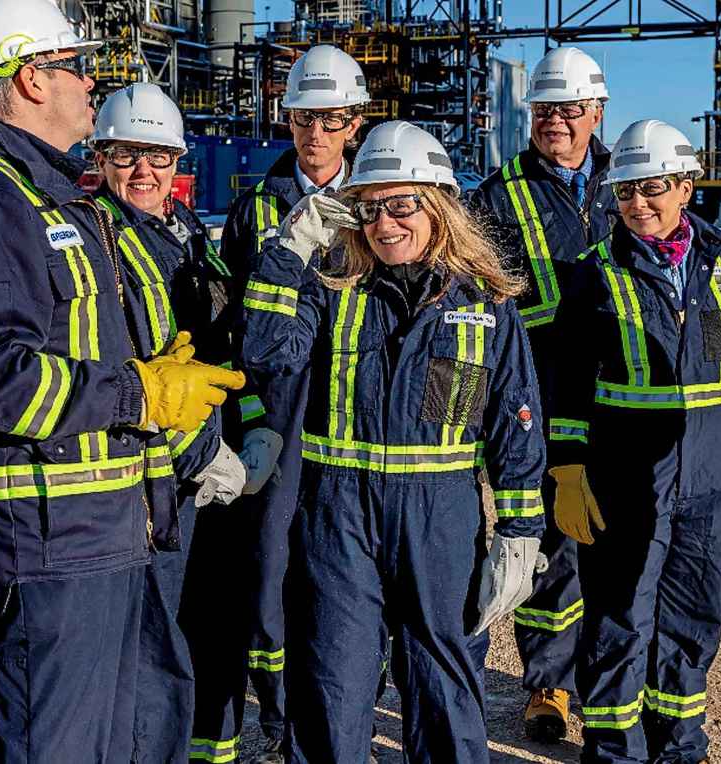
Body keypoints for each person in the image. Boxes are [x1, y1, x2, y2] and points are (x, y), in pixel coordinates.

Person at [0, 1, 245, 761]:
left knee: (141, 733)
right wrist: (139, 393)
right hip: (43, 550)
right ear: (32, 78)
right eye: (76, 66)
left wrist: (157, 379)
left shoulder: (54, 199)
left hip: (105, 537)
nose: (92, 82)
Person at [241, 120, 546, 762]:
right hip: (337, 520)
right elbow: (267, 354)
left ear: (438, 206)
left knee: (444, 689)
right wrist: (288, 252)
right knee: (331, 687)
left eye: (401, 205)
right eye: (370, 208)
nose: (385, 224)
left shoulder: (485, 303)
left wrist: (520, 531)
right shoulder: (331, 289)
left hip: (441, 520)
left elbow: (515, 420)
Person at [548, 119, 721, 764]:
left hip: (709, 469)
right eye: (626, 191)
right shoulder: (593, 274)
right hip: (624, 467)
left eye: (652, 188)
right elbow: (565, 383)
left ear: (685, 189)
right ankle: (615, 749)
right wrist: (568, 468)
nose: (638, 203)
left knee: (696, 610)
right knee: (620, 614)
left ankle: (678, 743)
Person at [88, 82, 283, 762]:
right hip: (162, 480)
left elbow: (221, 347)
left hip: (215, 470)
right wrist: (204, 455)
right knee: (159, 648)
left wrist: (253, 425)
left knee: (216, 631)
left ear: (178, 161)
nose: (144, 170)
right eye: (126, 155)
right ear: (100, 157)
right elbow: (141, 368)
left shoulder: (187, 232)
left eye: (159, 156)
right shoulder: (100, 242)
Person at [216, 43, 369, 762]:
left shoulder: (378, 198)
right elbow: (233, 325)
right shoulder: (256, 207)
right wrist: (251, 419)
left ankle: (346, 718)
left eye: (331, 119)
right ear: (289, 120)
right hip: (280, 410)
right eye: (305, 117)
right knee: (272, 568)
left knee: (349, 571)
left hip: (355, 411)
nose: (316, 132)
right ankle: (281, 722)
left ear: (354, 123)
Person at [469, 44, 616, 742]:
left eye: (570, 108)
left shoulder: (626, 182)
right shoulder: (497, 196)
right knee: (554, 544)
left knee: (623, 541)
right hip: (542, 388)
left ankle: (614, 678)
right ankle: (549, 683)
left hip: (621, 390)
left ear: (596, 112)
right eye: (544, 109)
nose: (555, 120)